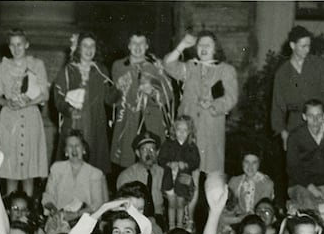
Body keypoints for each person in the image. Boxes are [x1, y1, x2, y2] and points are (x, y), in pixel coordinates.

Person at [162, 32, 237, 176]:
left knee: (211, 176)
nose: (203, 48)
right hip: (188, 130)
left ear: (215, 49)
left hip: (211, 130)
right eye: (200, 45)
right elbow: (168, 64)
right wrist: (182, 45)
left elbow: (231, 98)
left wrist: (213, 104)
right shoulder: (190, 67)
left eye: (208, 45)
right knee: (187, 176)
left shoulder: (226, 70)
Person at [0, 30, 50, 196]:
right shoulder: (0, 68)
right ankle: (8, 215)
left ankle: (29, 215)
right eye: (12, 45)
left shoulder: (37, 65)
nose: (16, 48)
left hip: (30, 116)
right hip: (9, 119)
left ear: (26, 44)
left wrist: (29, 102)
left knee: (29, 171)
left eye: (19, 44)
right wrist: (7, 102)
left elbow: (44, 95)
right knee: (9, 170)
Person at [110, 32, 175, 171]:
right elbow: (114, 97)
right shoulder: (119, 66)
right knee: (128, 163)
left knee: (152, 164)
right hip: (128, 121)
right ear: (128, 46)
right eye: (134, 43)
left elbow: (167, 96)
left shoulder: (156, 67)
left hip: (151, 122)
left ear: (147, 46)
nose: (138, 47)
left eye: (141, 43)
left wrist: (152, 92)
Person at [52, 32, 114, 171]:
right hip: (75, 121)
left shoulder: (101, 71)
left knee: (93, 161)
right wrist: (69, 110)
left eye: (92, 46)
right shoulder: (68, 71)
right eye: (85, 46)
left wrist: (119, 90)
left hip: (94, 123)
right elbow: (58, 97)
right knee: (72, 159)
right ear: (78, 48)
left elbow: (109, 98)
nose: (89, 49)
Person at [270, 26, 324, 150]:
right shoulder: (282, 73)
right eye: (303, 46)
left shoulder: (319, 65)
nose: (307, 50)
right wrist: (284, 134)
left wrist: (321, 123)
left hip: (320, 123)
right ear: (292, 45)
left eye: (309, 46)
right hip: (295, 127)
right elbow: (277, 107)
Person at [285, 99, 324, 216]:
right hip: (300, 184)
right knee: (310, 205)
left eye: (319, 115)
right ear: (304, 117)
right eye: (311, 116)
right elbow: (293, 168)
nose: (315, 120)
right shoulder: (295, 137)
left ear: (323, 116)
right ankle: (311, 230)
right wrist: (311, 188)